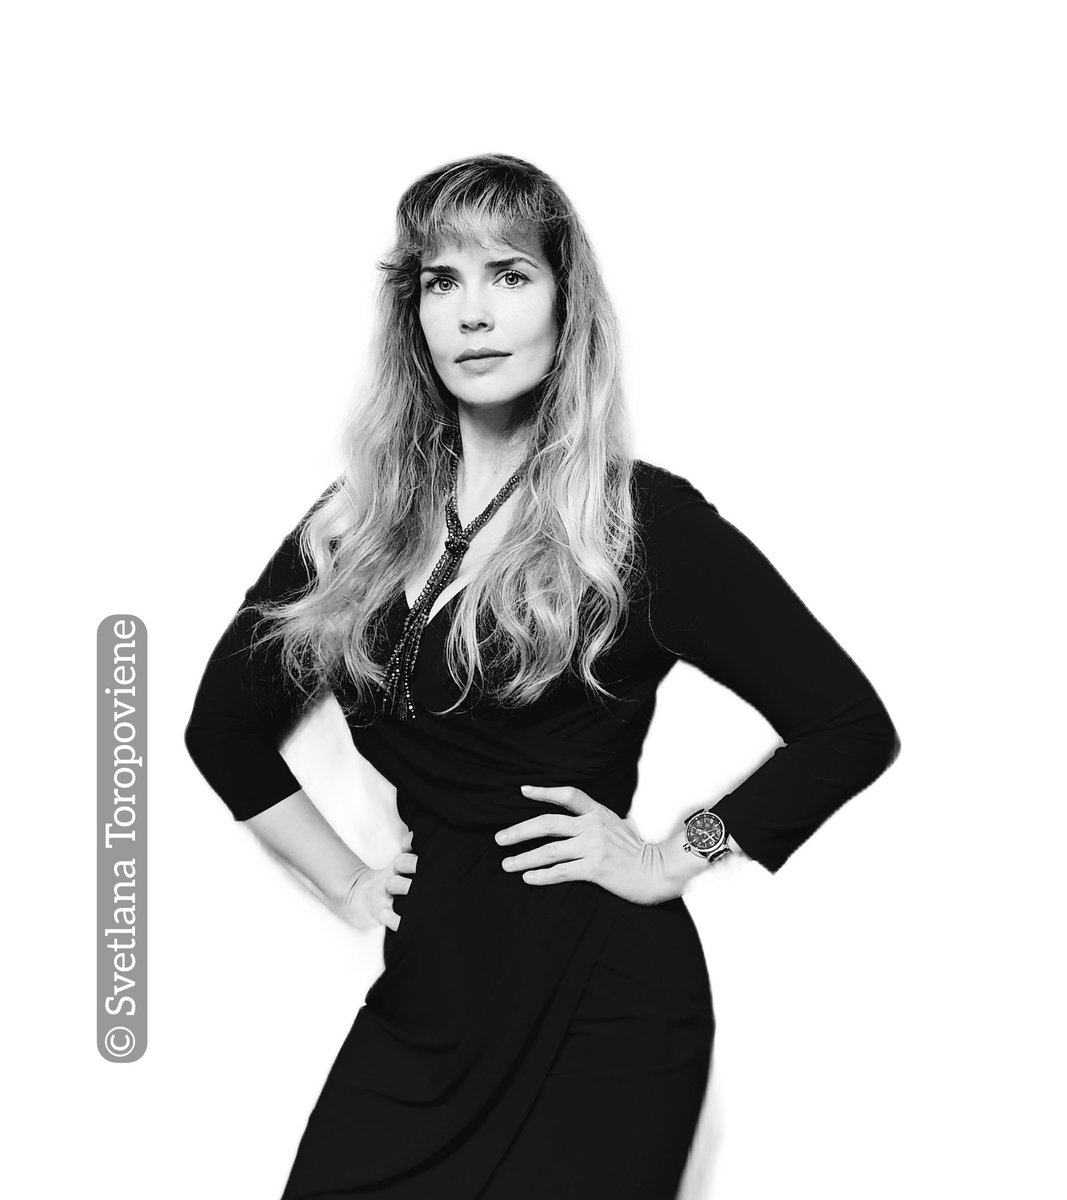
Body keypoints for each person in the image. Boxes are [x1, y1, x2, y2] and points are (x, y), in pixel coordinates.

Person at [184, 152, 900, 1200]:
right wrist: (347, 882)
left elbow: (846, 725)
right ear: (413, 314)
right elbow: (222, 729)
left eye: (509, 274)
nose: (472, 312)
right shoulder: (354, 527)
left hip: (603, 1005)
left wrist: (672, 856)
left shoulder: (638, 523)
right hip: (427, 999)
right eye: (442, 279)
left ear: (566, 306)